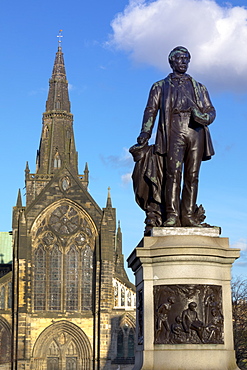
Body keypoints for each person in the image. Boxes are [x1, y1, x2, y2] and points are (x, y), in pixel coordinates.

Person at [130, 46, 216, 231]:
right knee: (173, 174)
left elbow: (210, 110)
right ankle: (172, 215)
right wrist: (145, 133)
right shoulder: (159, 86)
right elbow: (151, 110)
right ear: (171, 62)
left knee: (192, 176)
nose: (183, 62)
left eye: (186, 59)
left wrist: (204, 118)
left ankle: (189, 216)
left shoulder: (199, 88)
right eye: (179, 59)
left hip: (195, 131)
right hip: (173, 130)